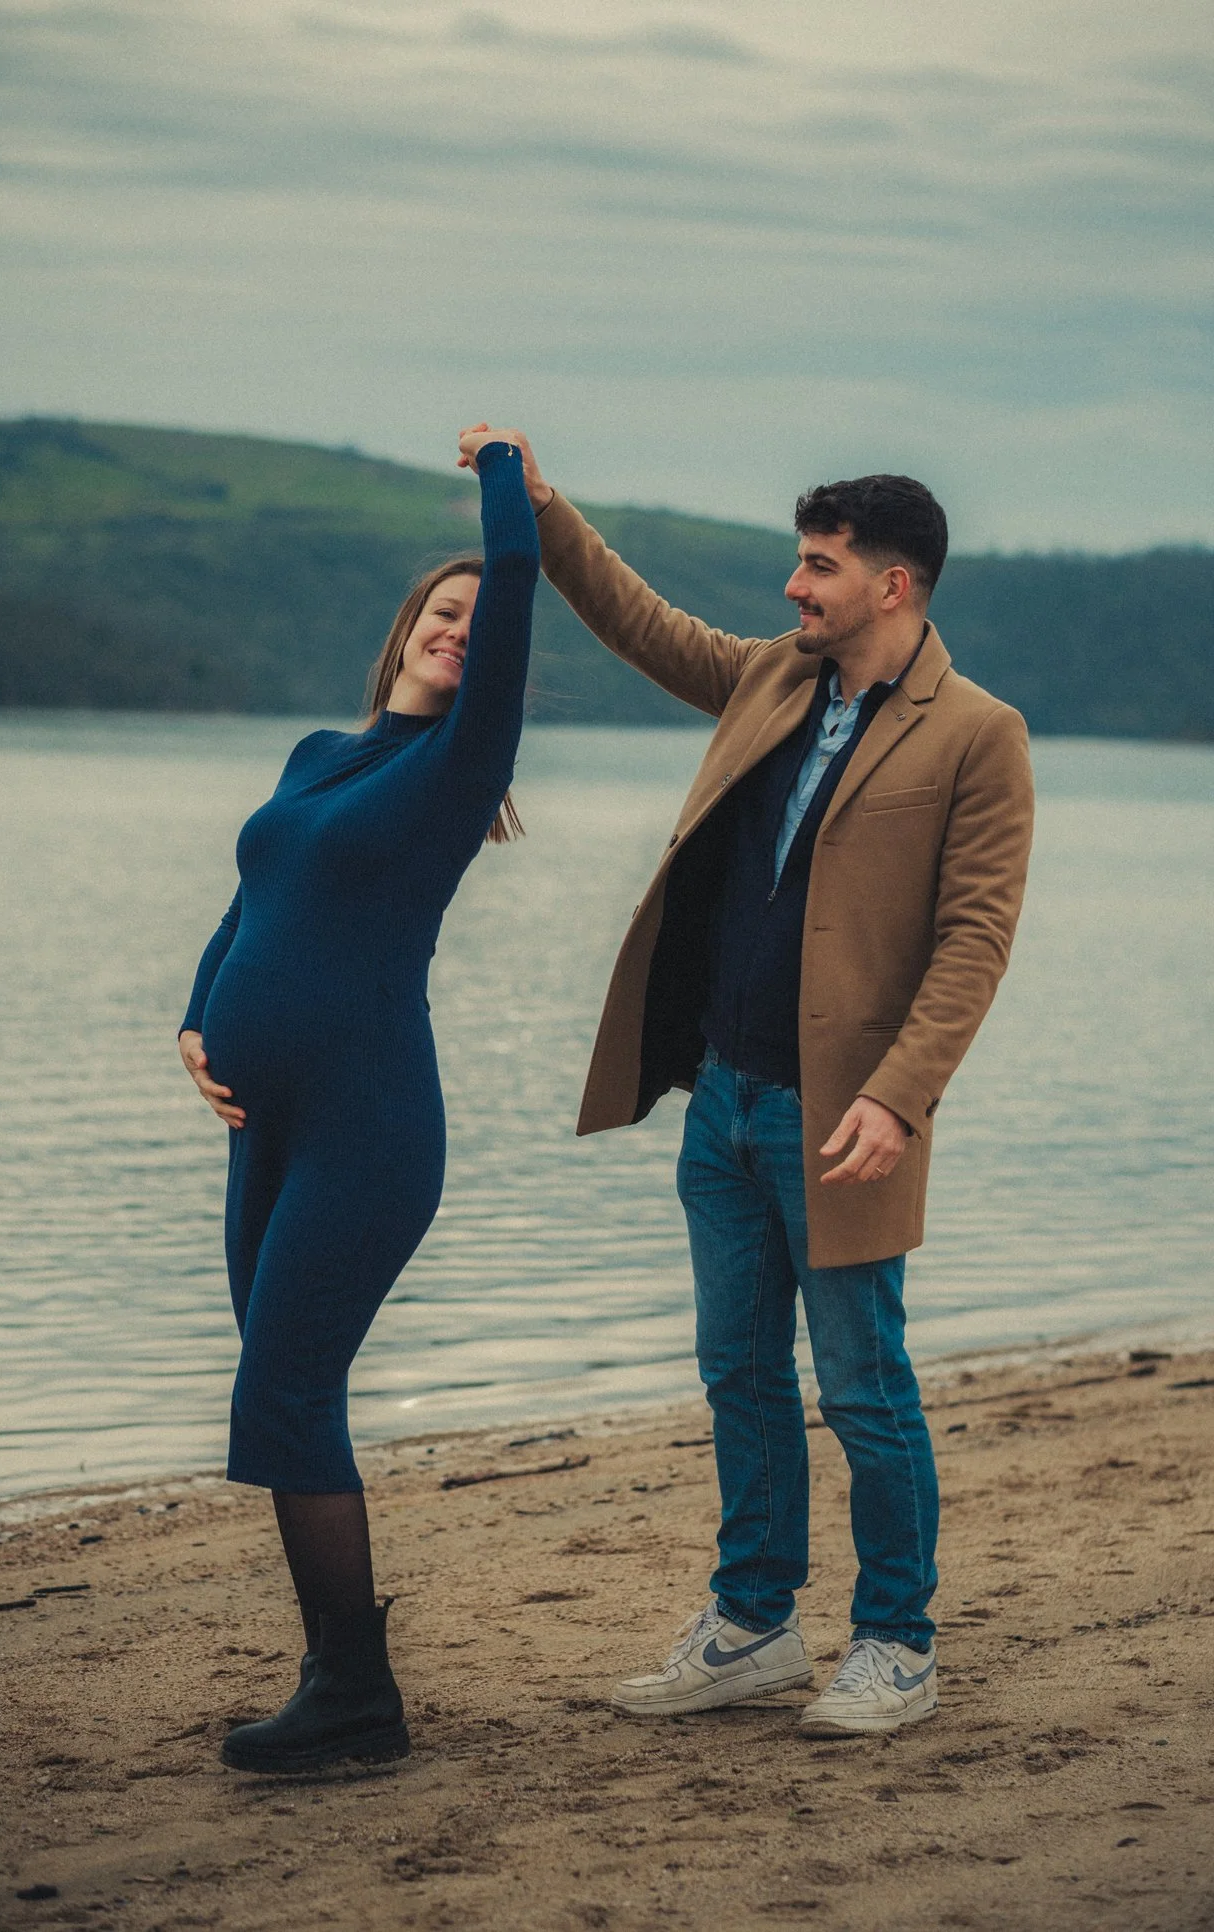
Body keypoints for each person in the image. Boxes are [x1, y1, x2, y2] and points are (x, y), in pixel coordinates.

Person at [457, 426, 1034, 1737]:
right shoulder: (778, 679)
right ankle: (755, 1624)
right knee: (738, 1371)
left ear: (895, 584)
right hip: (722, 1100)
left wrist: (899, 1094)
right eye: (796, 562)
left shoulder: (978, 737)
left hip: (843, 1121)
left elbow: (975, 936)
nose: (793, 588)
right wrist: (546, 514)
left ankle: (896, 1641)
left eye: (819, 567)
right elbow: (646, 626)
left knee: (864, 1388)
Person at [178, 433, 539, 1773]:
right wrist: (193, 1019)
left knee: (282, 1393)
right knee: (283, 1396)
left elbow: (513, 560)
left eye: (482, 620)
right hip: (264, 1127)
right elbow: (249, 898)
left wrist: (505, 466)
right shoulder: (319, 750)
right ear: (408, 626)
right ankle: (341, 1678)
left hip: (369, 1131)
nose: (464, 628)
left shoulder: (452, 772)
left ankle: (355, 1699)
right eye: (446, 612)